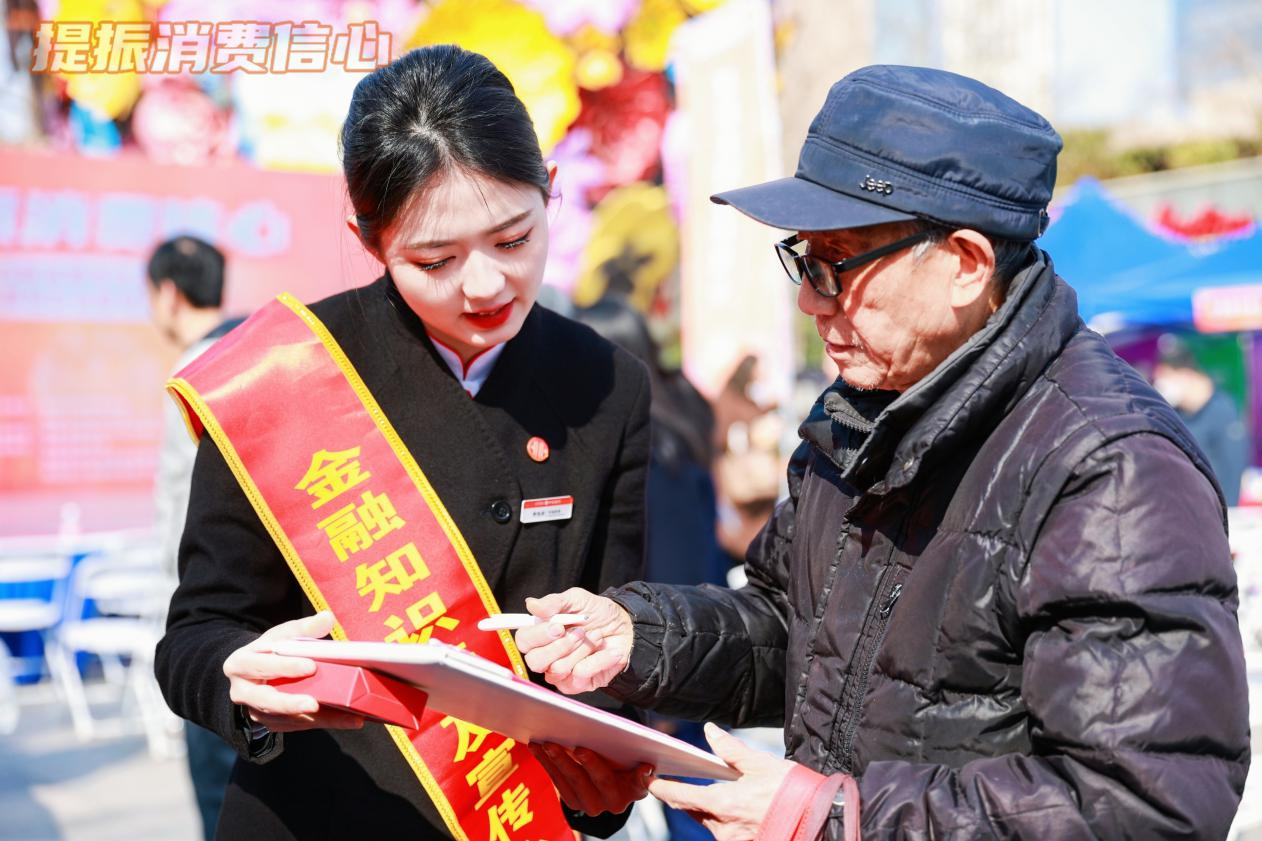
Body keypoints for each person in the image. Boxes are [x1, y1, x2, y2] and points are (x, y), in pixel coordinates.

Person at [514, 65, 1250, 840]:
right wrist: (638, 636)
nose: (810, 299)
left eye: (835, 265)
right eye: (803, 260)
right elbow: (795, 633)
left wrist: (834, 817)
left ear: (965, 264)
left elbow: (1139, 803)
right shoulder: (861, 414)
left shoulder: (1110, 467)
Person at [154, 45, 652, 841]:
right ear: (368, 238)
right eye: (435, 259)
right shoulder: (283, 377)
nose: (484, 285)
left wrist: (604, 765)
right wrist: (236, 676)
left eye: (513, 239)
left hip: (510, 815)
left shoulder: (607, 382)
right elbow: (195, 633)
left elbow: (623, 623)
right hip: (318, 816)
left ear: (550, 189)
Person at [146, 235, 242, 841]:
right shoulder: (252, 353)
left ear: (168, 294)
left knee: (220, 798)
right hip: (270, 611)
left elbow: (179, 512)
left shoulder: (194, 375)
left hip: (211, 619)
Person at [1152, 333, 1250, 506]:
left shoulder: (1222, 410)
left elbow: (1233, 471)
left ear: (1187, 375)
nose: (1162, 385)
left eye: (1166, 377)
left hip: (1216, 511)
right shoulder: (1174, 413)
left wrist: (1225, 515)